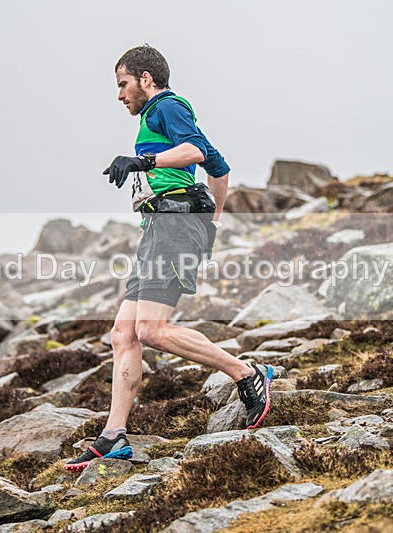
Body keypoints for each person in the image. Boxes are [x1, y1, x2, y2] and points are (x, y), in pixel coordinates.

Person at [66, 45, 273, 472]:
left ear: (145, 78)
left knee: (152, 330)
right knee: (124, 333)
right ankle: (113, 436)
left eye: (123, 84)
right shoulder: (157, 117)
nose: (119, 95)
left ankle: (247, 374)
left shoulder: (166, 105)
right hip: (164, 228)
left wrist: (143, 162)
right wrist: (211, 222)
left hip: (175, 225)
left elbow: (195, 152)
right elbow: (219, 167)